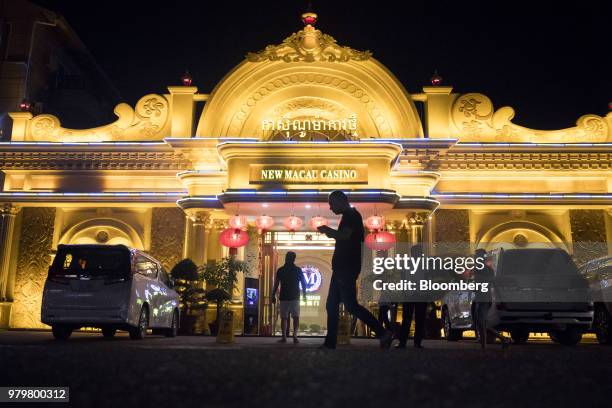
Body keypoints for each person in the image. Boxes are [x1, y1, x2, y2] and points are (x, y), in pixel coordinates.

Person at [317, 190, 393, 349]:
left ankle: (382, 332)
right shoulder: (349, 216)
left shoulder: (351, 216)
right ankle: (330, 342)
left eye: (332, 204)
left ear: (340, 201)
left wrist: (328, 231)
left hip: (346, 267)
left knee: (350, 305)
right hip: (341, 268)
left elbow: (344, 236)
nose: (330, 208)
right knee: (332, 304)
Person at [472, 248, 510, 349]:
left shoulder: (487, 270)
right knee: (481, 324)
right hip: (479, 299)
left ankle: (484, 347)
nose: (476, 257)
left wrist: (501, 298)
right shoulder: (477, 269)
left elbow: (494, 284)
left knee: (482, 323)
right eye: (476, 256)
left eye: (478, 255)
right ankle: (502, 339)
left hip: (485, 299)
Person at [272, 251, 307, 344]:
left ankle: (287, 337)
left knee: (286, 317)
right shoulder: (296, 270)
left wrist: (273, 295)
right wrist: (304, 295)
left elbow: (276, 284)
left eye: (289, 257)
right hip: (292, 297)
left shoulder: (282, 270)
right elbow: (303, 283)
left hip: (287, 296)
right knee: (292, 317)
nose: (288, 259)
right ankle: (292, 337)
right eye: (288, 257)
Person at [397, 244, 427, 349]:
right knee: (408, 318)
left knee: (416, 319)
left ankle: (413, 342)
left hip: (419, 294)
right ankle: (405, 342)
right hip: (412, 294)